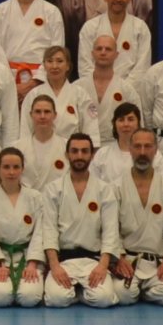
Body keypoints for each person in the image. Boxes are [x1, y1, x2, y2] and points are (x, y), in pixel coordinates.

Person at [38, 132, 123, 308]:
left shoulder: (104, 189)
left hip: (93, 261)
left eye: (84, 151)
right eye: (74, 151)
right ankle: (77, 291)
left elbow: (110, 231)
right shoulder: (53, 189)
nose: (79, 156)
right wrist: (54, 265)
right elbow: (49, 230)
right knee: (56, 299)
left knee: (104, 299)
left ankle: (78, 293)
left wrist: (103, 265)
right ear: (66, 155)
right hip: (63, 260)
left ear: (92, 155)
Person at [109, 123, 163, 305]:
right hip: (127, 261)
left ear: (156, 150)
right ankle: (141, 292)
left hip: (158, 263)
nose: (142, 152)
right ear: (130, 149)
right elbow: (111, 229)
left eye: (148, 146)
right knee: (123, 295)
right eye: (137, 146)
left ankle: (142, 292)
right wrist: (119, 257)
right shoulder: (116, 187)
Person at [0, 147, 50, 308]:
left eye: (16, 167)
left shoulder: (35, 197)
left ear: (23, 169)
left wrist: (32, 264)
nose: (11, 172)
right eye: (6, 167)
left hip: (28, 257)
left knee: (29, 298)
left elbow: (40, 233)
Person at [0, 0, 66, 108]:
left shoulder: (51, 12)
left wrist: (35, 82)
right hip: (7, 82)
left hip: (41, 82)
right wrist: (11, 85)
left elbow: (57, 49)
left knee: (40, 119)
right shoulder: (0, 11)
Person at [62, 33, 143, 153]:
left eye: (108, 49)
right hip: (83, 149)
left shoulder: (127, 89)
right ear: (92, 53)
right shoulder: (77, 87)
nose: (103, 52)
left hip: (116, 147)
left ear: (116, 55)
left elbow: (138, 125)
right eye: (99, 49)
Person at [74, 0, 155, 80]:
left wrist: (123, 88)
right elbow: (85, 67)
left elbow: (142, 68)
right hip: (97, 87)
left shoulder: (140, 27)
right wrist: (100, 87)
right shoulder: (90, 27)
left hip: (131, 88)